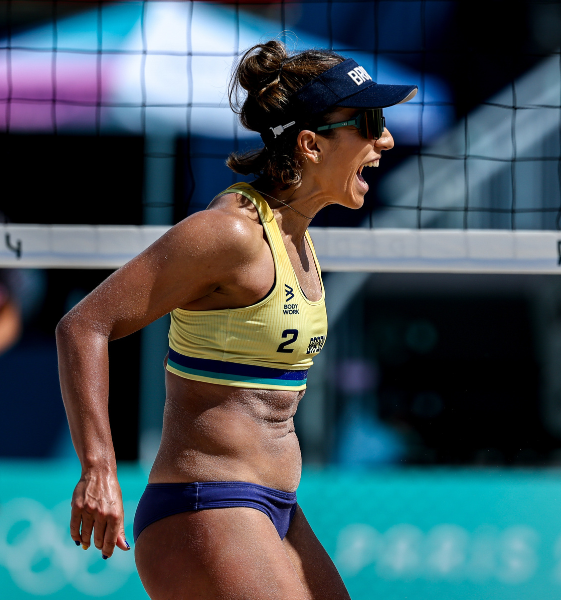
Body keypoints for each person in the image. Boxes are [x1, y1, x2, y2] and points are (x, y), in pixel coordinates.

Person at [56, 41, 415, 599]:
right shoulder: (229, 233)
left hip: (273, 506)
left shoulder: (294, 233)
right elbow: (83, 326)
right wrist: (98, 467)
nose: (386, 139)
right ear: (310, 144)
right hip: (206, 503)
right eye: (369, 122)